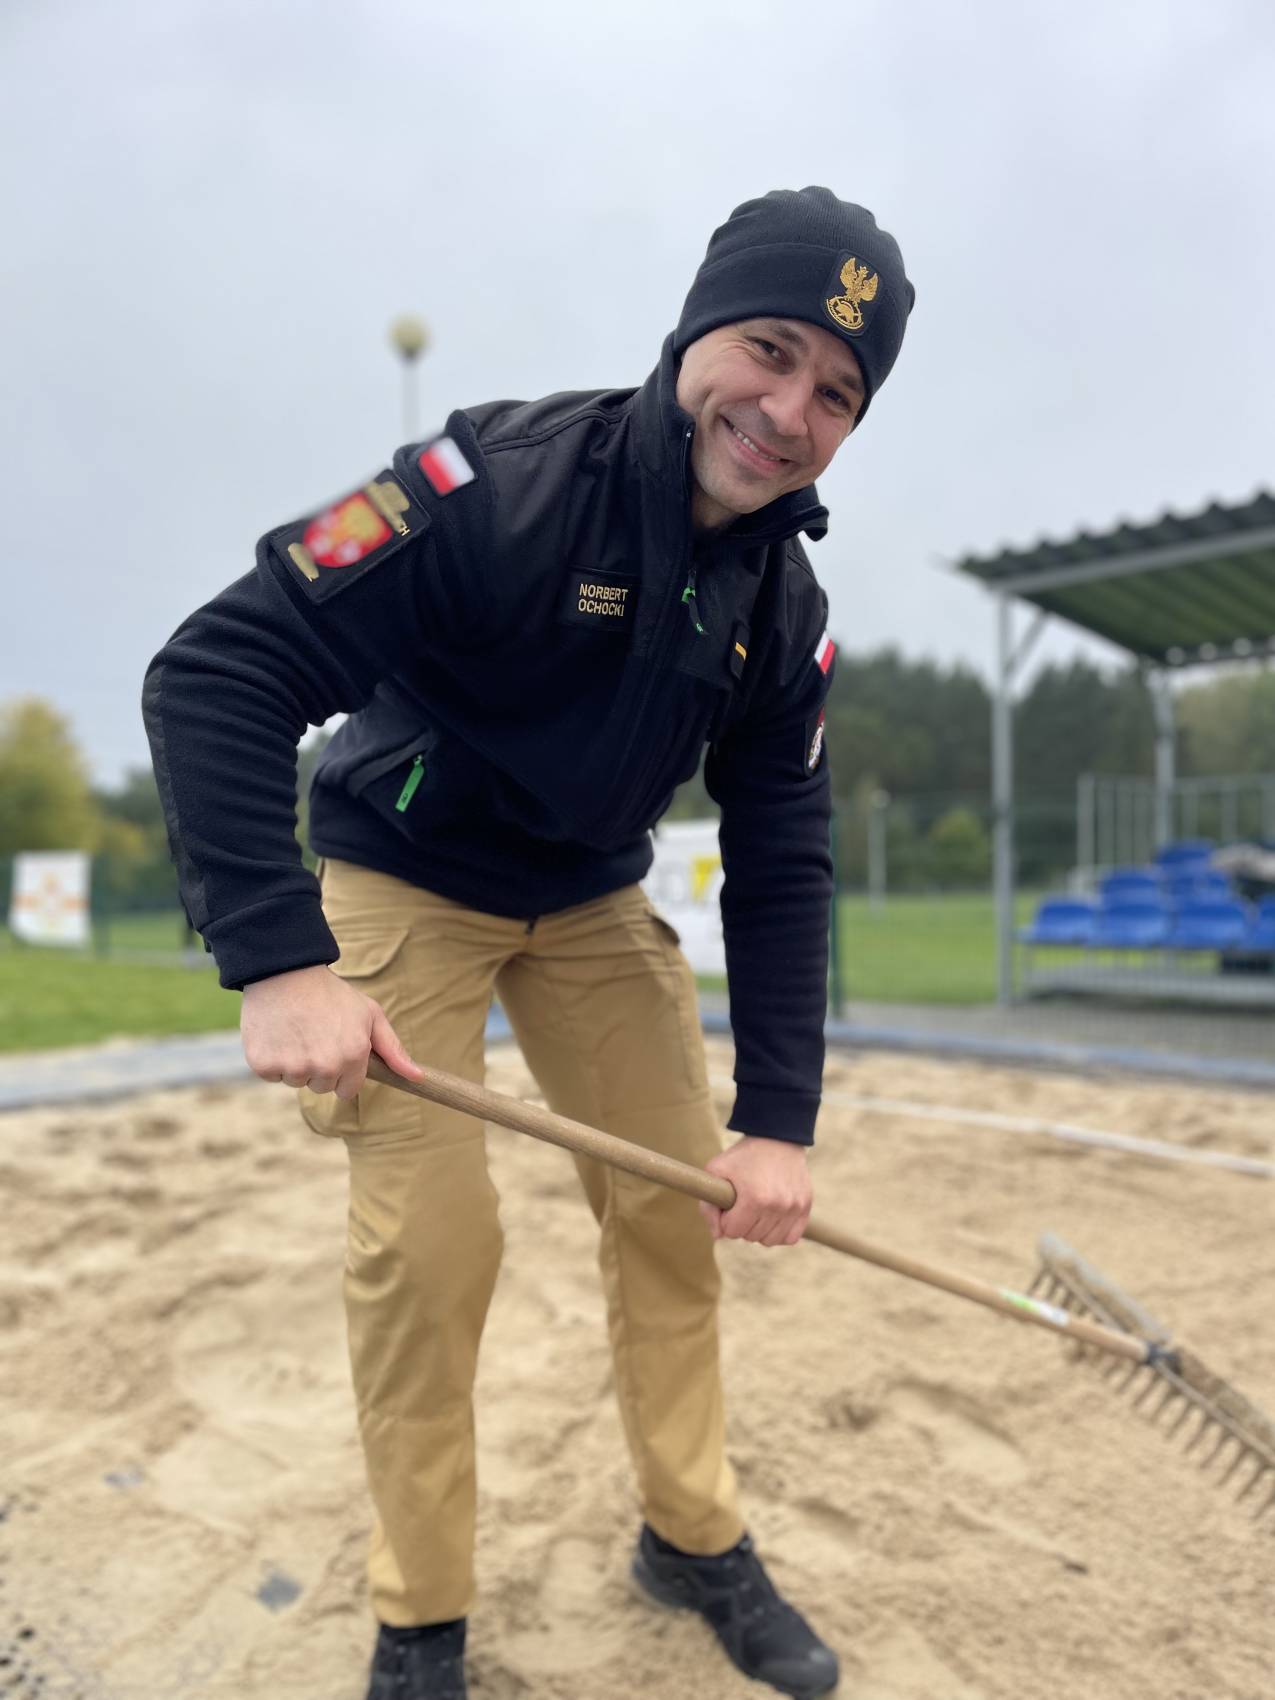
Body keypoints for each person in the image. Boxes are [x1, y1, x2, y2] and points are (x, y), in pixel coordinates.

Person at [143, 186, 913, 1700]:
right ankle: (421, 1617)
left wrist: (777, 1124)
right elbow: (219, 669)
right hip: (403, 874)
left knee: (675, 1210)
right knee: (432, 1250)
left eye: (837, 393)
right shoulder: (482, 485)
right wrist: (279, 959)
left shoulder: (785, 606)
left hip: (588, 898)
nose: (787, 412)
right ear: (694, 336)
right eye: (768, 352)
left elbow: (783, 859)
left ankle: (691, 1538)